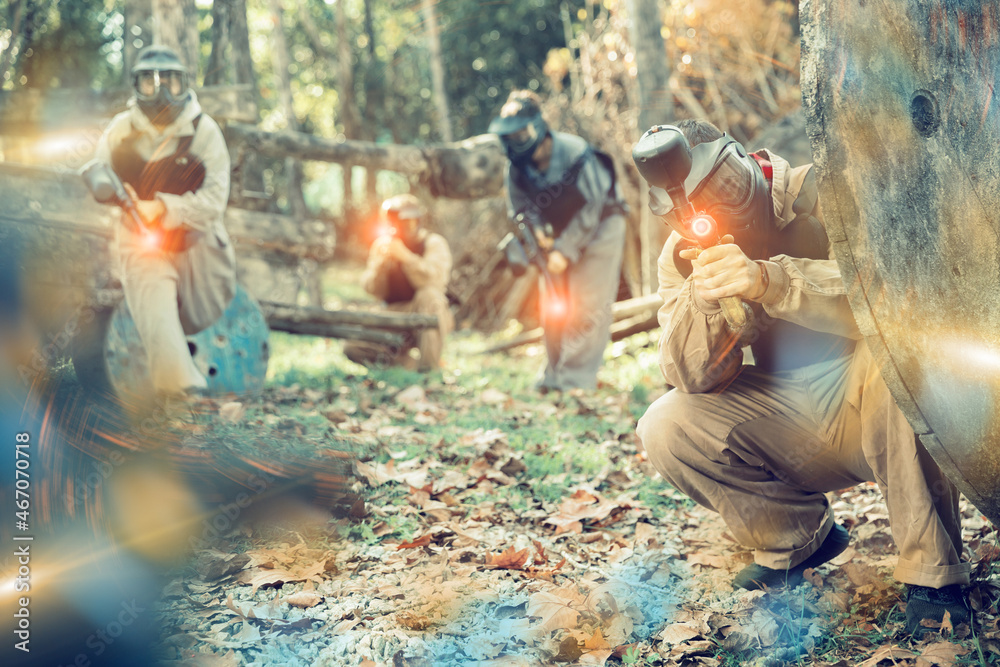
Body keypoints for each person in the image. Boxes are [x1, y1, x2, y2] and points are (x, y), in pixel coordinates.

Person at [634, 119, 970, 637]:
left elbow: (897, 299)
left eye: (722, 185)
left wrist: (770, 279)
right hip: (789, 413)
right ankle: (794, 540)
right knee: (665, 423)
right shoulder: (681, 258)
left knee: (898, 355)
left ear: (744, 157)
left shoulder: (831, 191)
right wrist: (705, 306)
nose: (717, 208)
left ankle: (934, 576)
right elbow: (688, 376)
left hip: (873, 392)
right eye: (697, 205)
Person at [94, 45, 236, 400]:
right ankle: (182, 395)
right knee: (153, 303)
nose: (160, 93)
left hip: (197, 247)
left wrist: (161, 208)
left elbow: (214, 203)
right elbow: (97, 178)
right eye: (149, 83)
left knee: (200, 311)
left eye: (171, 83)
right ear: (135, 85)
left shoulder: (205, 132)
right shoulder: (119, 132)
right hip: (142, 243)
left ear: (185, 83)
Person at [489, 90, 627, 392]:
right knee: (553, 302)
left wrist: (564, 250)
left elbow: (592, 206)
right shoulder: (516, 169)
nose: (515, 141)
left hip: (602, 224)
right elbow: (521, 211)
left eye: (521, 133)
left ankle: (575, 380)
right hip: (556, 236)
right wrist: (541, 238)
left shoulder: (575, 152)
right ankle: (553, 374)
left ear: (538, 127)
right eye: (509, 135)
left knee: (587, 302)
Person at [343, 194, 453, 371]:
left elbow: (434, 283)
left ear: (418, 221)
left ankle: (429, 369)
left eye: (408, 222)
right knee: (352, 345)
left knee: (430, 295)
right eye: (396, 223)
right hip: (392, 312)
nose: (403, 228)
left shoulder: (433, 243)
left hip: (425, 311)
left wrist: (406, 258)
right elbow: (372, 290)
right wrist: (381, 269)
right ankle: (406, 365)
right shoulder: (383, 246)